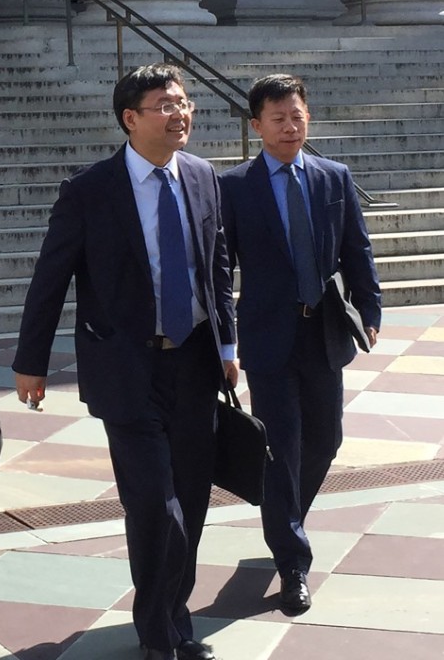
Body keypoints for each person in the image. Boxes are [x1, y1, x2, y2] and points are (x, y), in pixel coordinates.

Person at [12, 63, 237, 660]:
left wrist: (228, 347)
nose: (179, 113)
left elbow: (216, 270)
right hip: (126, 370)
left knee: (190, 498)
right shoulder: (89, 191)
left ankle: (173, 612)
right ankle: (159, 632)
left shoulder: (204, 177)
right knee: (154, 504)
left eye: (183, 102)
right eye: (164, 104)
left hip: (193, 363)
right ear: (130, 118)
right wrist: (30, 360)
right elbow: (50, 277)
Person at [219, 74, 381, 616]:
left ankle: (283, 514)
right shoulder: (235, 187)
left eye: (297, 116)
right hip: (266, 338)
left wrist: (370, 309)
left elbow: (357, 249)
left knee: (326, 440)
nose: (290, 127)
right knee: (280, 446)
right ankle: (292, 561)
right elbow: (222, 269)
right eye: (278, 118)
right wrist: (225, 339)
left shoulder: (334, 178)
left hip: (324, 332)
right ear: (256, 125)